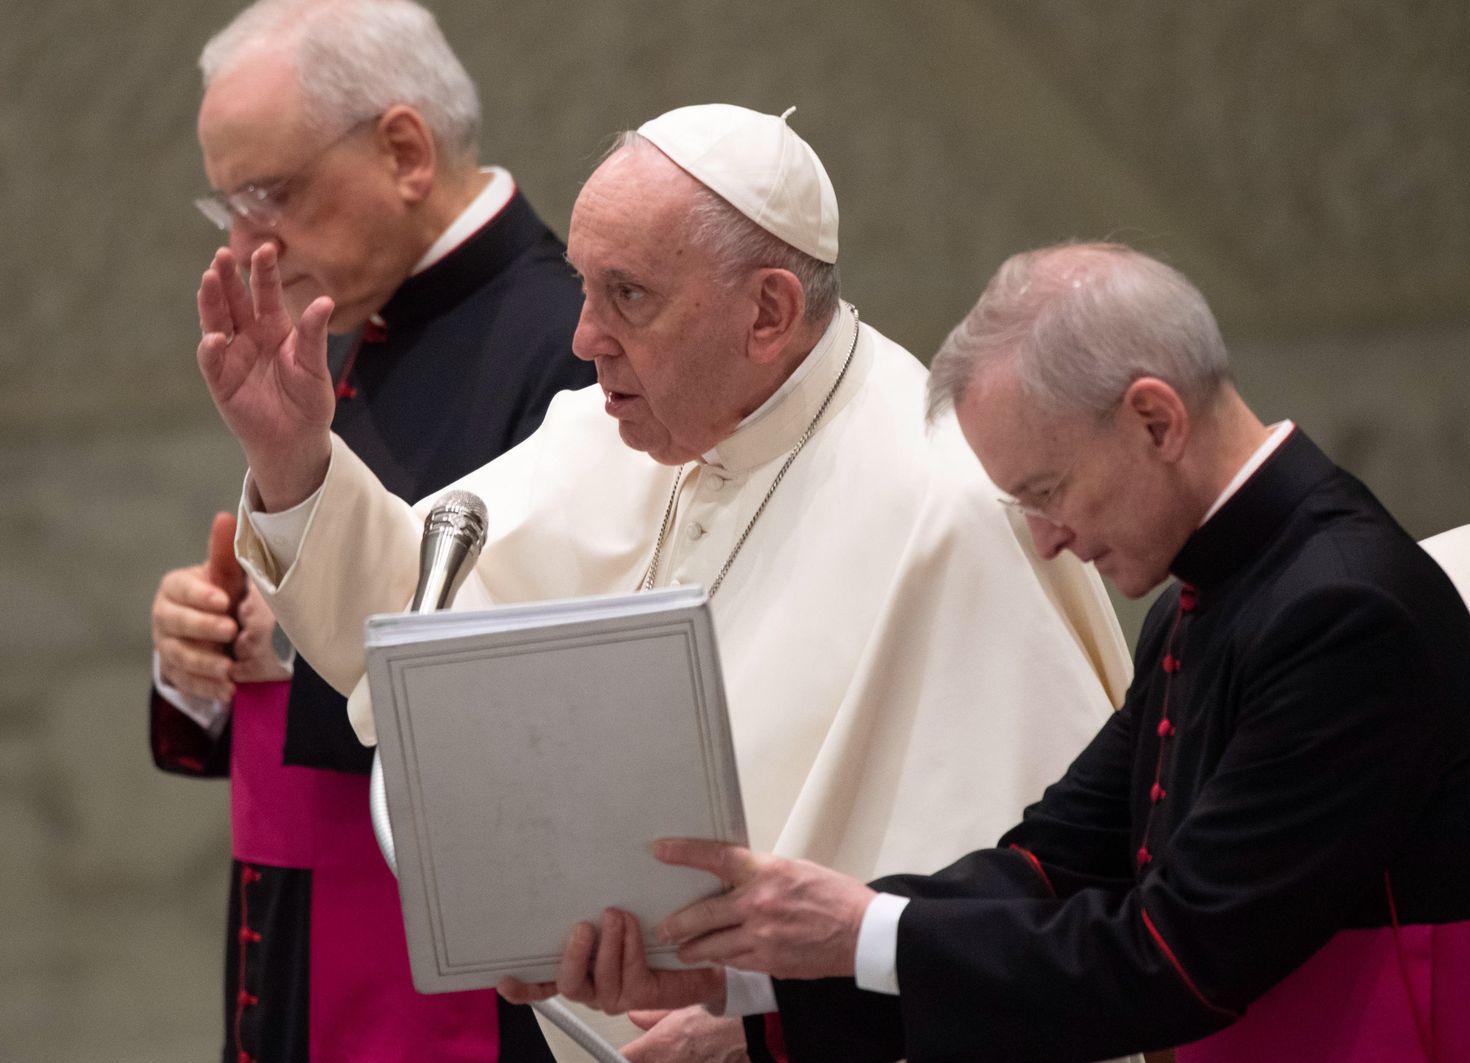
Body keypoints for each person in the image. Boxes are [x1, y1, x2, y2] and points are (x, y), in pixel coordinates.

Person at [199, 104, 1133, 1061]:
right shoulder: (606, 432)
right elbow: (416, 630)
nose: (585, 336)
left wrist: (778, 1028)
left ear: (767, 311)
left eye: (629, 296)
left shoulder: (949, 508)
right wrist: (294, 456)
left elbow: (1036, 926)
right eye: (584, 289)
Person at [522, 242, 1470, 1063]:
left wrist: (857, 934)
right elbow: (1049, 867)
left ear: (1152, 419)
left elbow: (1173, 957)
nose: (1046, 538)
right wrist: (757, 976)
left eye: (1047, 490)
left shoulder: (1344, 610)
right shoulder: (1209, 599)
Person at [146, 2, 592, 1060]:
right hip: (306, 907)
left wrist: (292, 638)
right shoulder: (358, 319)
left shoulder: (569, 343)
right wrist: (204, 651)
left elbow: (546, 676)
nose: (251, 239)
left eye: (274, 193)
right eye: (231, 204)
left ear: (403, 148)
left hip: (448, 962)